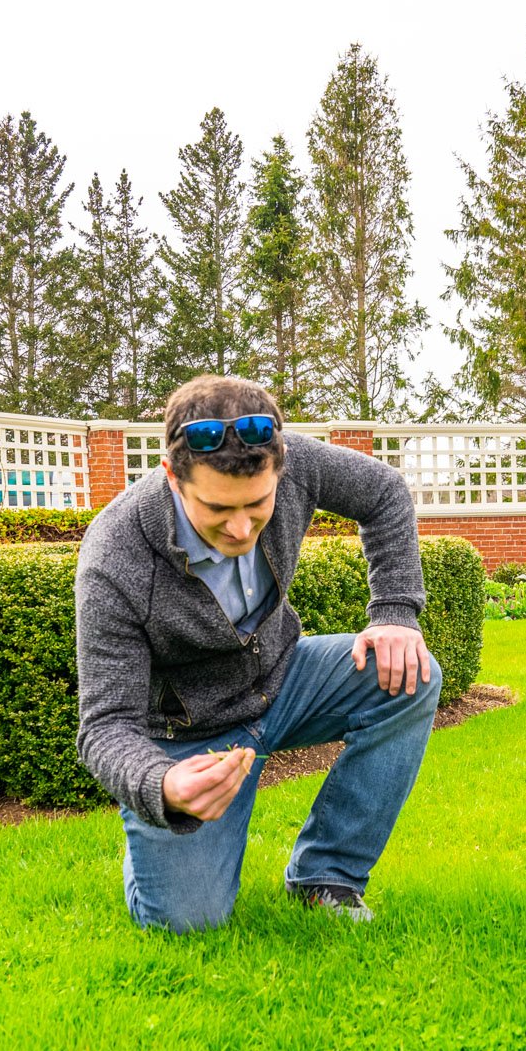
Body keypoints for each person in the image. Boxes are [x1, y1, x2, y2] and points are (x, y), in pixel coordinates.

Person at [74, 375, 440, 932]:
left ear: (281, 466)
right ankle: (154, 845)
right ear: (172, 477)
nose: (241, 527)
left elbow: (384, 492)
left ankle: (327, 875)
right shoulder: (114, 555)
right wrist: (162, 786)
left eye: (258, 503)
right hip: (190, 739)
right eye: (217, 509)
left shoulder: (297, 466)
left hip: (283, 679)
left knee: (410, 676)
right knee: (184, 922)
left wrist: (395, 613)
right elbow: (105, 726)